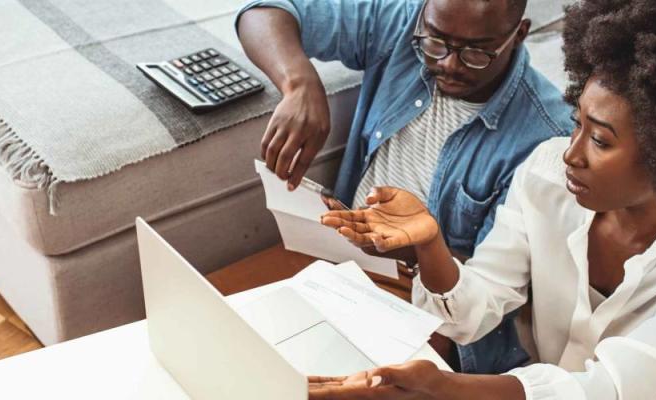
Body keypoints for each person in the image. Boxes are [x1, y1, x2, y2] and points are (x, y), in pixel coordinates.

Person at [315, 0, 656, 398]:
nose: (570, 153)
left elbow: (608, 387)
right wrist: (430, 245)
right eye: (577, 125)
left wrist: (446, 387)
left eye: (601, 141)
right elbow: (475, 309)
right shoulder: (546, 174)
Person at [236, 0, 574, 374]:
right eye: (435, 42)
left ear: (519, 34)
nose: (447, 63)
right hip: (338, 263)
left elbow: (486, 290)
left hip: (433, 314)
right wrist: (298, 82)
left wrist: (410, 243)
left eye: (476, 52)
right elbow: (264, 10)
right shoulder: (403, 23)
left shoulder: (546, 137)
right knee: (235, 340)